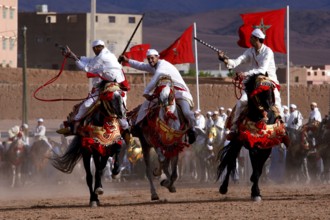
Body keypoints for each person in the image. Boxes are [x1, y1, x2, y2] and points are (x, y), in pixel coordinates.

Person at [60, 40, 130, 146]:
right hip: (106, 85)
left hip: (114, 86)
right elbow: (88, 60)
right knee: (121, 104)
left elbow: (86, 67)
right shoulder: (104, 55)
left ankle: (74, 124)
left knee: (86, 105)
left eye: (94, 49)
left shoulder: (102, 57)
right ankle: (126, 127)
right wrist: (72, 55)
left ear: (96, 48)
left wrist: (73, 57)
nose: (94, 51)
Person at [120, 49, 196, 144]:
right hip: (165, 91)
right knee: (146, 105)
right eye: (148, 59)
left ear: (157, 57)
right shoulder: (154, 66)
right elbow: (141, 65)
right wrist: (127, 61)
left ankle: (192, 130)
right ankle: (137, 126)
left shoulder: (162, 66)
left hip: (179, 92)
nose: (150, 60)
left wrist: (147, 91)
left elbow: (156, 77)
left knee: (186, 112)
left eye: (152, 58)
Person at [218, 28, 281, 136]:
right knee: (241, 102)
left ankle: (280, 127)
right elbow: (237, 61)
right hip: (252, 82)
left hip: (268, 81)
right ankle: (234, 127)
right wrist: (225, 60)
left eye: (251, 37)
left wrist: (245, 74)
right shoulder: (250, 51)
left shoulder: (268, 52)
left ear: (256, 39)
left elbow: (262, 70)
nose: (249, 39)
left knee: (276, 102)